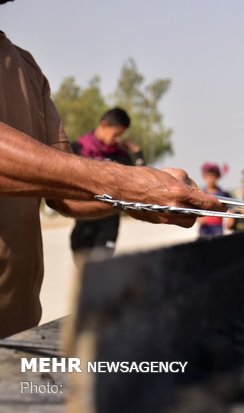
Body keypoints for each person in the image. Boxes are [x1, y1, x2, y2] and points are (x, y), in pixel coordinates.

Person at [0, 18, 225, 338]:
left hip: (17, 327)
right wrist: (125, 183)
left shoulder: (27, 68)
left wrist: (137, 197)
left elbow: (64, 191)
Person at [70, 108, 145, 268]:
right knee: (83, 271)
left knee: (101, 268)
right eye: (116, 134)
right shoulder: (77, 150)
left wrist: (138, 154)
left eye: (121, 135)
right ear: (104, 125)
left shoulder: (121, 157)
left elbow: (138, 182)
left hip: (109, 224)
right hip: (83, 223)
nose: (118, 139)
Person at [198, 163, 231, 238]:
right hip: (205, 229)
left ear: (217, 177)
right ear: (204, 177)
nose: (210, 179)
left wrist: (230, 218)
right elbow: (195, 209)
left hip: (218, 228)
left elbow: (231, 208)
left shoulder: (223, 194)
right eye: (208, 176)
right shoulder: (200, 194)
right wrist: (198, 218)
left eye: (213, 176)